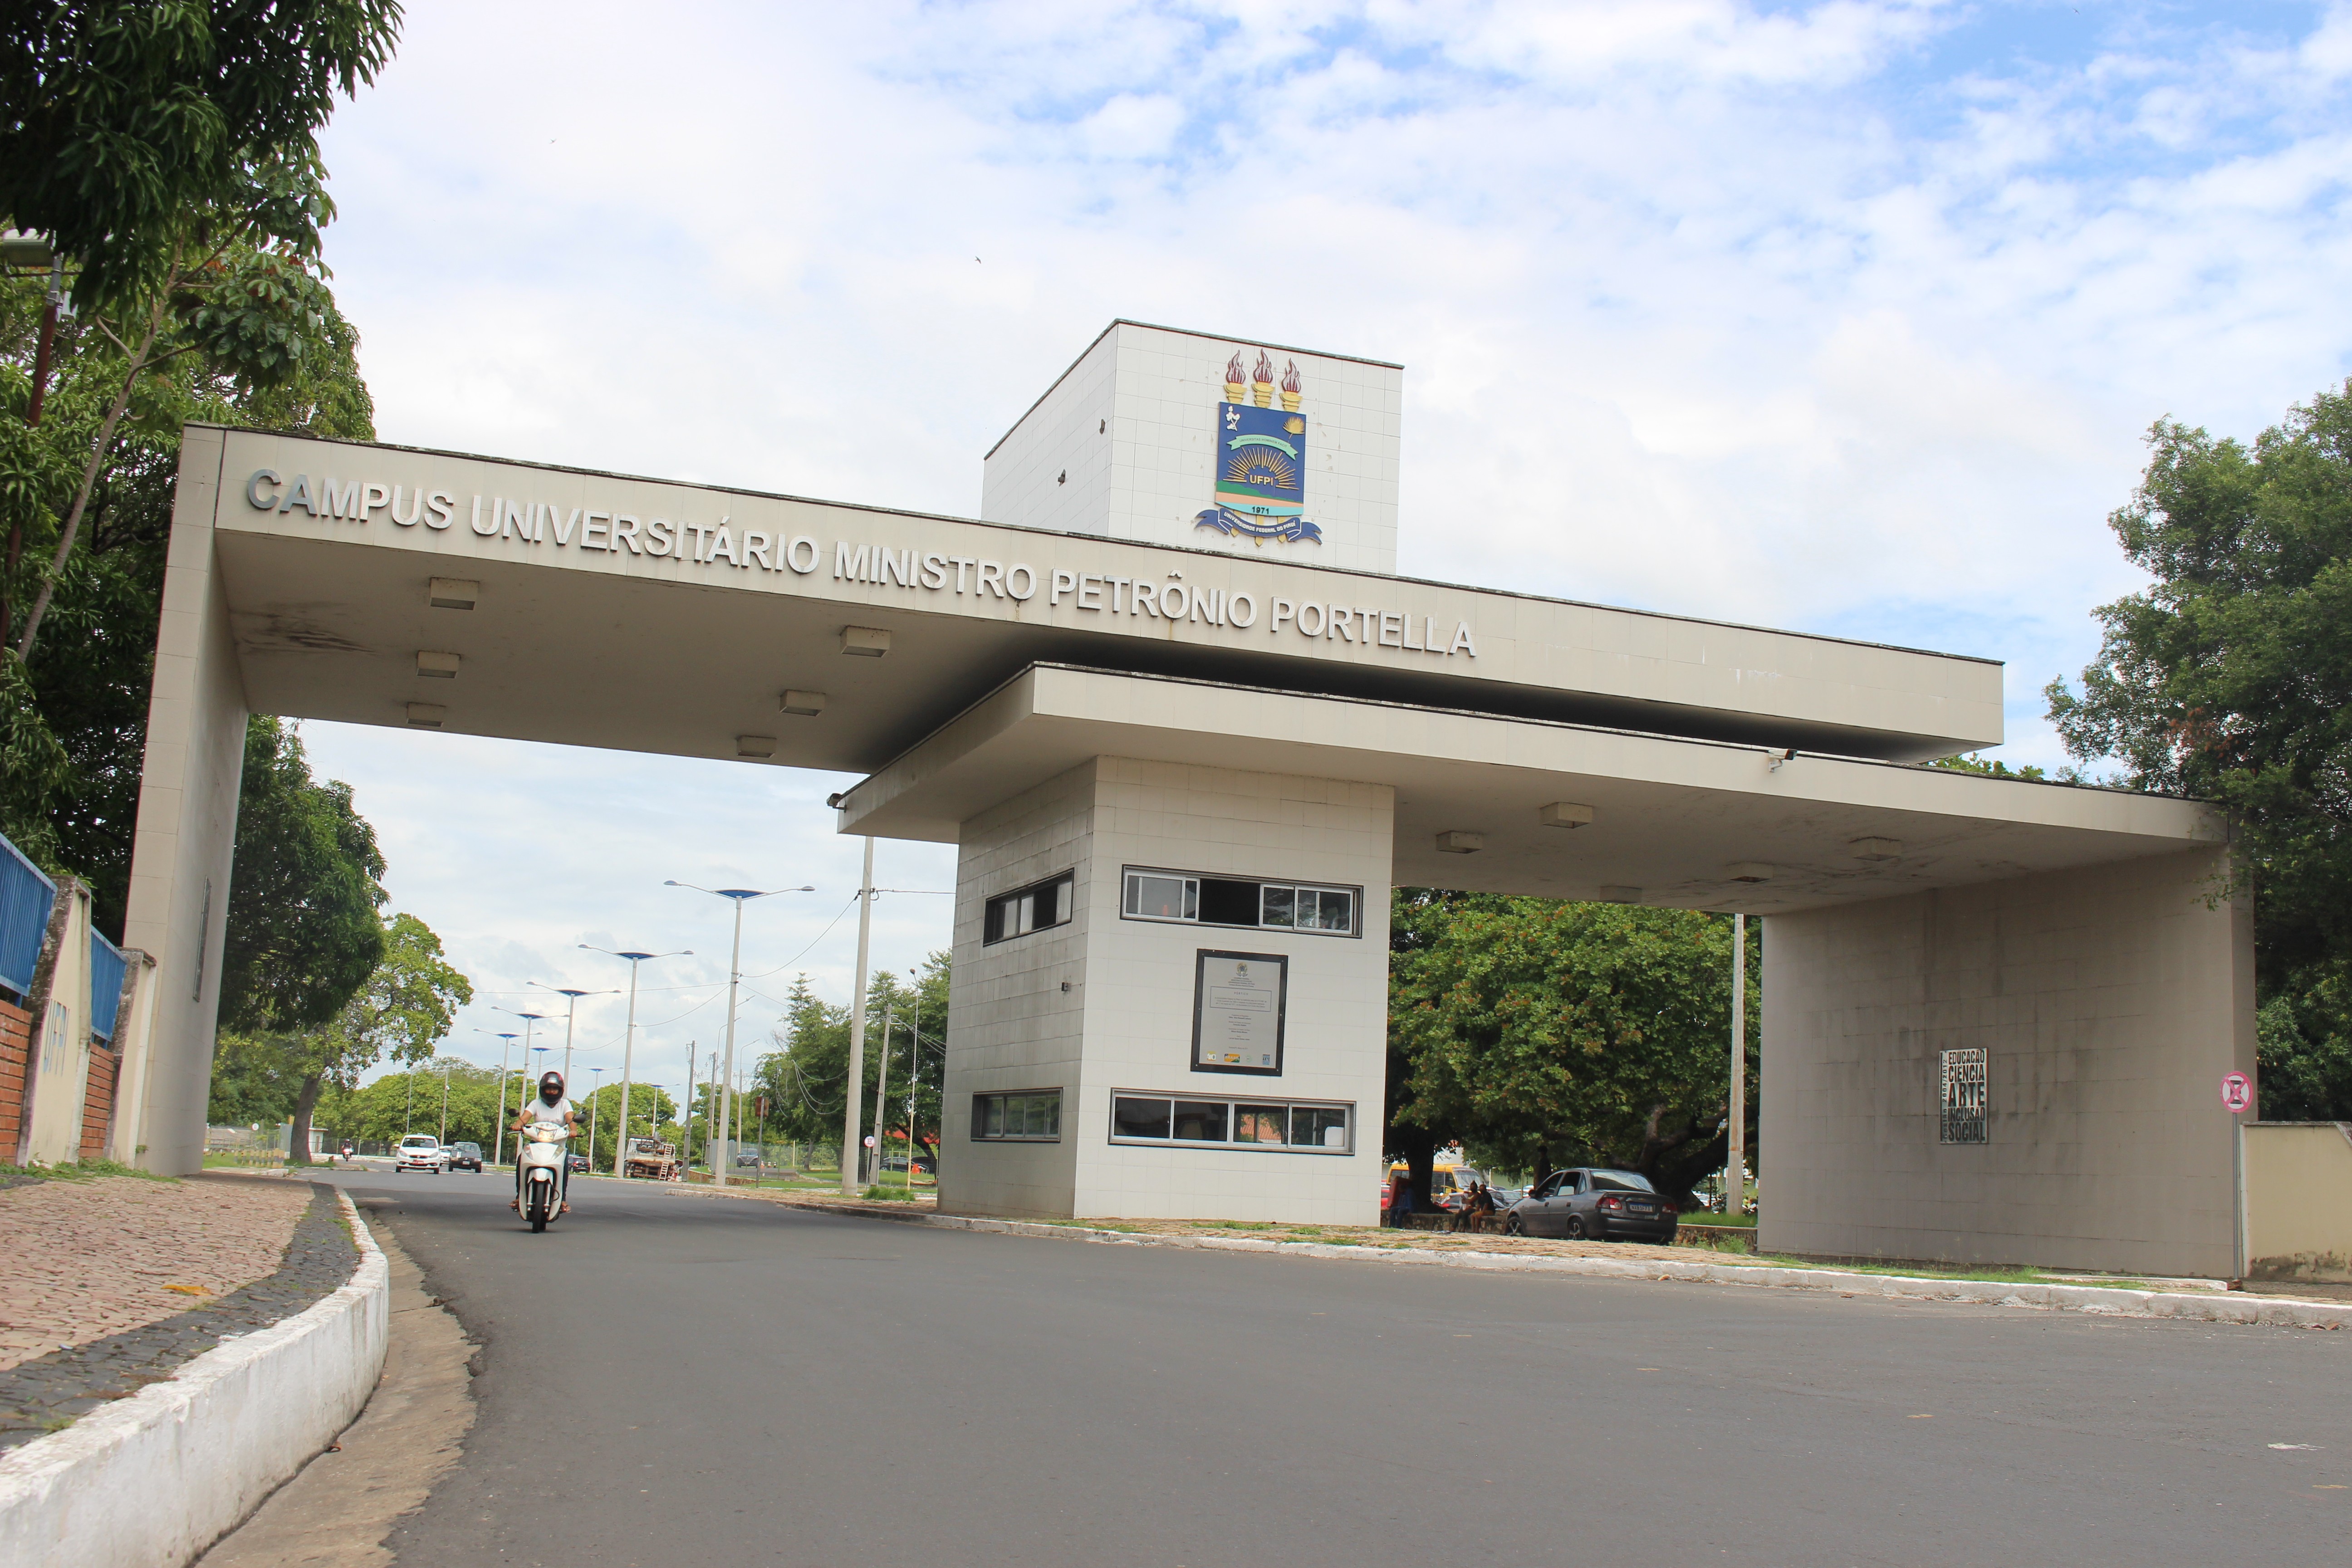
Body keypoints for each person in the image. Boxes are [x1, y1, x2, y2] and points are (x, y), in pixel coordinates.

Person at [510, 1070, 582, 1215]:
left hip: (558, 1146)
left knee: (564, 1166)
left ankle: (562, 1199)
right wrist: (518, 1125)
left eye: (555, 1089)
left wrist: (573, 1130)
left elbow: (570, 1119)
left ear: (560, 1090)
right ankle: (520, 1196)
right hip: (537, 1143)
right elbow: (525, 1118)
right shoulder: (536, 1103)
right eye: (549, 1089)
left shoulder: (564, 1104)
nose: (551, 1092)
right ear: (543, 1090)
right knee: (521, 1160)